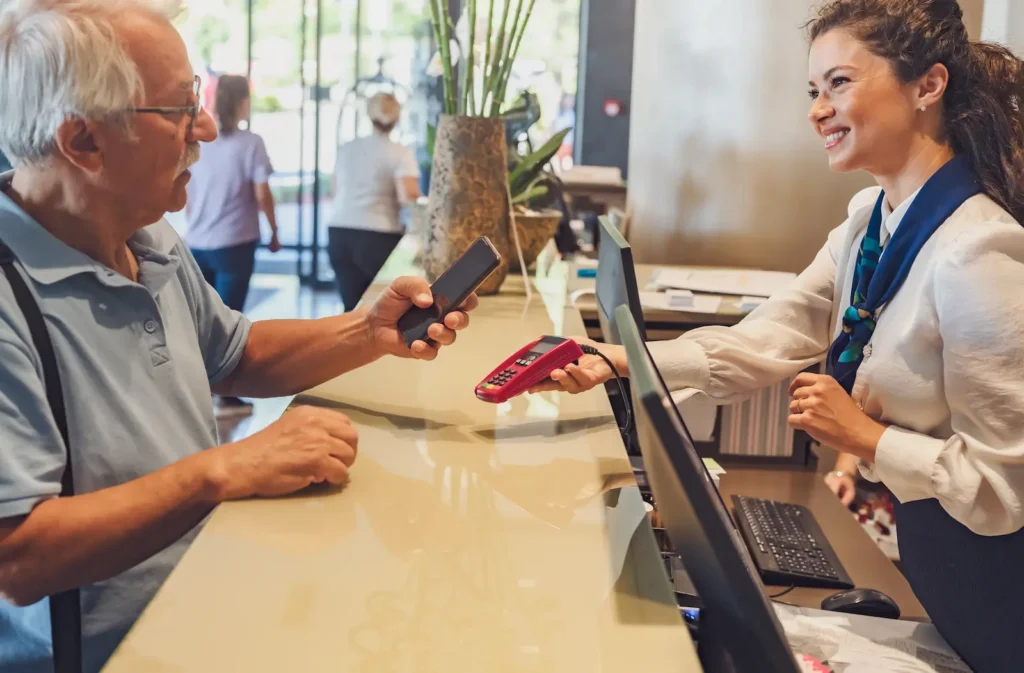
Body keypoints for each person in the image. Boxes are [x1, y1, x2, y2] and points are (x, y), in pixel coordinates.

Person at [529, 1, 1024, 670]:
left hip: (994, 582)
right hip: (934, 558)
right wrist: (622, 359)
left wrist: (866, 437)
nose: (818, 110)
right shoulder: (871, 220)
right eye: (813, 91)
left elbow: (1003, 488)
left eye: (840, 84)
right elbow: (777, 330)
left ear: (927, 86)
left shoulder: (979, 251)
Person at [0, 3, 476, 672]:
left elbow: (233, 354)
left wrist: (368, 331)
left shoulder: (149, 237)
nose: (207, 127)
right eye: (178, 109)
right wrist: (225, 467)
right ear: (83, 143)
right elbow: (19, 556)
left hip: (207, 596)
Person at [185, 74, 281, 418]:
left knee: (197, 323)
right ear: (243, 102)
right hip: (234, 243)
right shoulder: (251, 143)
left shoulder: (198, 139)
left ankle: (197, 394)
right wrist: (274, 229)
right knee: (228, 324)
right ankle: (225, 396)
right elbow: (261, 193)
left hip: (196, 243)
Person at [328, 92, 421, 311]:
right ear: (396, 119)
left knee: (351, 309)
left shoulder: (346, 148)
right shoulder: (400, 152)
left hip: (340, 233)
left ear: (370, 116)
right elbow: (408, 196)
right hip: (378, 236)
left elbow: (335, 189)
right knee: (382, 312)